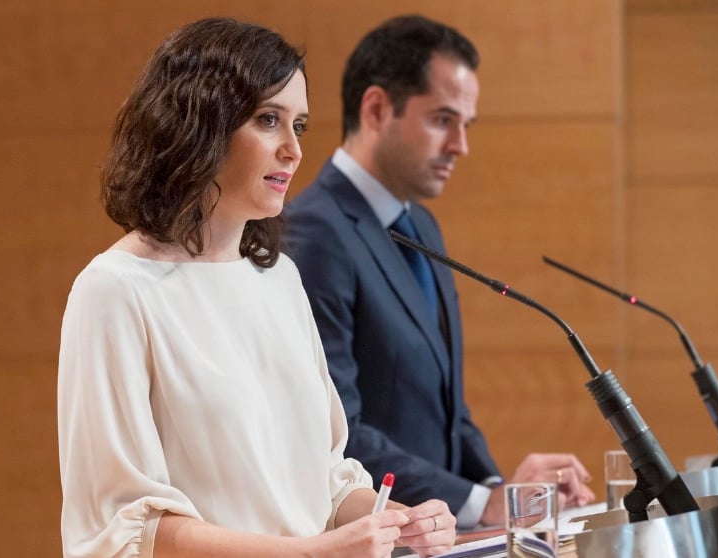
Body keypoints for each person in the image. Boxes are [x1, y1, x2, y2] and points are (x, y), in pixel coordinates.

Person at [56, 18, 457, 558]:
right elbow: (128, 529)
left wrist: (399, 522)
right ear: (199, 124)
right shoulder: (115, 291)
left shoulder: (279, 277)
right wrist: (313, 553)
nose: (293, 150)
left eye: (300, 126)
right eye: (269, 120)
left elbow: (328, 482)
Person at [283, 14, 596, 529]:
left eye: (465, 125)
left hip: (440, 535)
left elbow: (450, 411)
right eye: (442, 120)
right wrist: (477, 504)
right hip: (377, 535)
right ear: (378, 108)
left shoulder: (420, 225)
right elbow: (340, 433)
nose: (460, 145)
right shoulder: (313, 233)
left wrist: (498, 493)